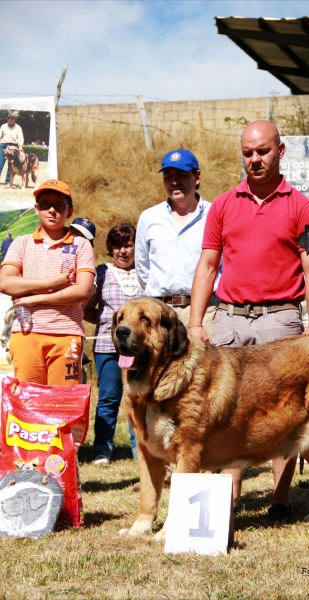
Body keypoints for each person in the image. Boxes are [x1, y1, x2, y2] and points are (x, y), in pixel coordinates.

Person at [189, 120, 309, 516]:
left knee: (283, 411)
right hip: (229, 318)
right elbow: (207, 264)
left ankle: (280, 500)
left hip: (280, 320)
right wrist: (198, 322)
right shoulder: (223, 205)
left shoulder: (303, 206)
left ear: (280, 152)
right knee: (228, 412)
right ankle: (226, 503)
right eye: (248, 153)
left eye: (263, 151)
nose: (255, 159)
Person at [0, 179, 95, 385]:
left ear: (69, 211)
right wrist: (51, 282)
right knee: (28, 405)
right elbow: (6, 283)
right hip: (26, 334)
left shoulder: (81, 245)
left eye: (59, 205)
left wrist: (35, 299)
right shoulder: (20, 243)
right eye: (45, 204)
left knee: (62, 406)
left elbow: (83, 291)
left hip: (67, 334)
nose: (52, 210)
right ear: (36, 208)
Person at [135, 149, 219, 337]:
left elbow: (223, 265)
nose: (174, 181)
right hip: (159, 313)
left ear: (196, 177)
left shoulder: (215, 215)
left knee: (204, 367)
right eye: (168, 175)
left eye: (181, 175)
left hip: (204, 313)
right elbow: (142, 269)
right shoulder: (149, 217)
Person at [84, 223, 143, 465]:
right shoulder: (102, 272)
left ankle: (139, 450)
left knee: (139, 398)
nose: (123, 251)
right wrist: (106, 324)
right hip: (107, 348)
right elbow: (88, 309)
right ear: (111, 249)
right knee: (108, 397)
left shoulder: (146, 272)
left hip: (140, 350)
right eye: (118, 246)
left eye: (128, 245)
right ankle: (102, 449)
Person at [0, 113, 24, 187]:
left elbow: (20, 138)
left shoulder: (18, 128)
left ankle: (8, 182)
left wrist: (20, 146)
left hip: (14, 147)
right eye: (10, 121)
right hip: (3, 145)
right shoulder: (3, 126)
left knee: (11, 166)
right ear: (8, 120)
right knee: (0, 163)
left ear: (14, 120)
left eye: (12, 121)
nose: (11, 122)